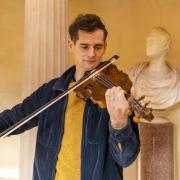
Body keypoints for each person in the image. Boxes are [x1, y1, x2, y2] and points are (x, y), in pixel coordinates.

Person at [0, 14, 140, 180]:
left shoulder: (117, 96)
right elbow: (13, 119)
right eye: (84, 46)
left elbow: (126, 159)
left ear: (105, 48)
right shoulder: (52, 91)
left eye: (98, 47)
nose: (91, 54)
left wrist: (119, 124)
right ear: (71, 45)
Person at [129, 26, 180, 109]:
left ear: (165, 45)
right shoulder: (134, 73)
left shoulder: (177, 80)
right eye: (147, 40)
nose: (147, 43)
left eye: (152, 40)